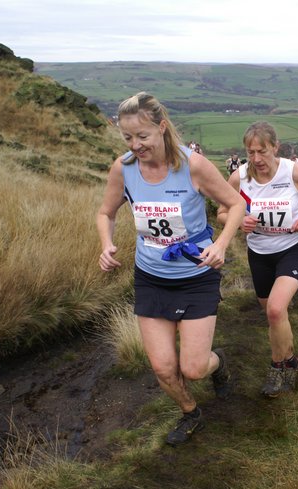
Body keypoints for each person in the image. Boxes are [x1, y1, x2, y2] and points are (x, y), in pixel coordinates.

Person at [97, 92, 245, 446]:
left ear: (162, 128)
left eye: (142, 136)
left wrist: (221, 245)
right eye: (127, 137)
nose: (135, 145)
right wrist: (106, 243)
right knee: (163, 368)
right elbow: (106, 212)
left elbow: (236, 204)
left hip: (196, 276)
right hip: (151, 278)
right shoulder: (123, 168)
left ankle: (218, 364)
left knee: (193, 368)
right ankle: (191, 413)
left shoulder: (193, 166)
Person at [218, 122, 298, 397]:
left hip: (291, 249)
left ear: (275, 147)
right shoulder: (239, 178)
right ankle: (291, 360)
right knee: (274, 316)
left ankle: (277, 367)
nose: (256, 159)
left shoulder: (294, 172)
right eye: (251, 152)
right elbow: (222, 212)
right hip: (259, 253)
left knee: (276, 310)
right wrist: (238, 220)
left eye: (263, 151)